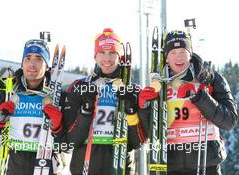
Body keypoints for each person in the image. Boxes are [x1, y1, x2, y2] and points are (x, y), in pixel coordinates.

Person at [139, 30, 238, 175]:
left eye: (183, 51)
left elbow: (229, 121)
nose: (178, 57)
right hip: (170, 165)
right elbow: (150, 132)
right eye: (173, 52)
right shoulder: (159, 84)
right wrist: (145, 106)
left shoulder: (209, 78)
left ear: (190, 54)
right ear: (166, 58)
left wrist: (200, 97)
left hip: (206, 164)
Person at [59, 28, 147, 175]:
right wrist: (86, 111)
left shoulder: (132, 90)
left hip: (120, 168)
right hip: (85, 167)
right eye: (102, 53)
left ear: (120, 56)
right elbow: (70, 141)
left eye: (112, 53)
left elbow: (138, 143)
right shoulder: (79, 87)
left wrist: (130, 109)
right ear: (95, 56)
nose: (107, 59)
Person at [0, 39, 63, 175]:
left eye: (39, 59)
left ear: (47, 66)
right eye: (27, 58)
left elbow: (71, 143)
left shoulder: (57, 96)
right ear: (22, 63)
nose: (32, 64)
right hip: (13, 168)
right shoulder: (6, 93)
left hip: (47, 168)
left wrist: (58, 127)